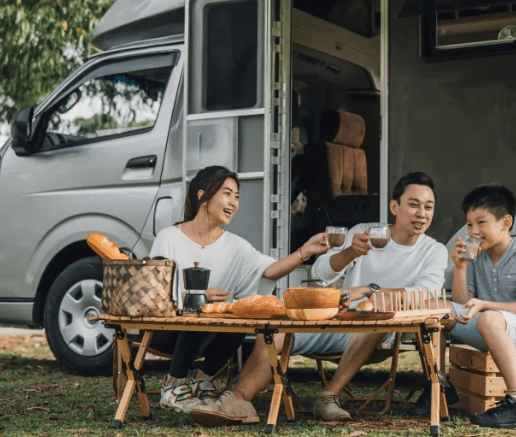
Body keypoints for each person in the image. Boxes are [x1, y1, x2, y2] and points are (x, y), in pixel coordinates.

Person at [190, 172, 448, 425]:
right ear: (394, 206)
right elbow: (320, 272)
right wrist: (348, 253)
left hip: (384, 327)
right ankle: (238, 400)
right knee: (276, 329)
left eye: (428, 206)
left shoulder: (433, 250)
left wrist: (370, 290)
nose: (421, 213)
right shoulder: (365, 232)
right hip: (337, 318)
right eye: (413, 205)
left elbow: (427, 292)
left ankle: (328, 395)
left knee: (373, 319)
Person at [149, 165, 328, 413]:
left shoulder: (235, 245)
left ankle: (202, 380)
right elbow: (154, 292)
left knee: (239, 313)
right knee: (199, 308)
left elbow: (269, 270)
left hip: (207, 334)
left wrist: (304, 252)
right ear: (203, 195)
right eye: (227, 193)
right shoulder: (168, 237)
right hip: (165, 330)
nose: (233, 202)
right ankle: (173, 386)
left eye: (237, 197)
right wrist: (196, 296)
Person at [444, 184, 516, 429]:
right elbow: (463, 307)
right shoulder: (476, 255)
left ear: (505, 222)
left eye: (481, 223)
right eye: (469, 224)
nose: (473, 231)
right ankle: (440, 387)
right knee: (440, 309)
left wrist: (485, 305)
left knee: (489, 318)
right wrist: (460, 268)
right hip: (490, 327)